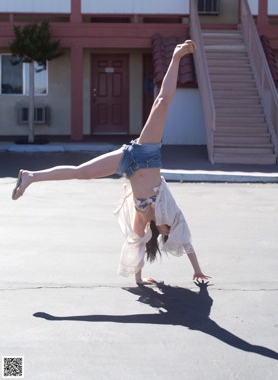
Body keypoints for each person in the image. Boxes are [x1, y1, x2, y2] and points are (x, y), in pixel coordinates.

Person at [12, 40, 210, 286]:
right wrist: (197, 269)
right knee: (162, 102)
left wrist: (139, 279)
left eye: (167, 235)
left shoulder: (143, 219)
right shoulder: (171, 213)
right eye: (170, 231)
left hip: (128, 162)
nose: (170, 233)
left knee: (81, 172)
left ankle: (31, 176)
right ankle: (177, 55)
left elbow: (136, 242)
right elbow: (187, 241)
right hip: (147, 153)